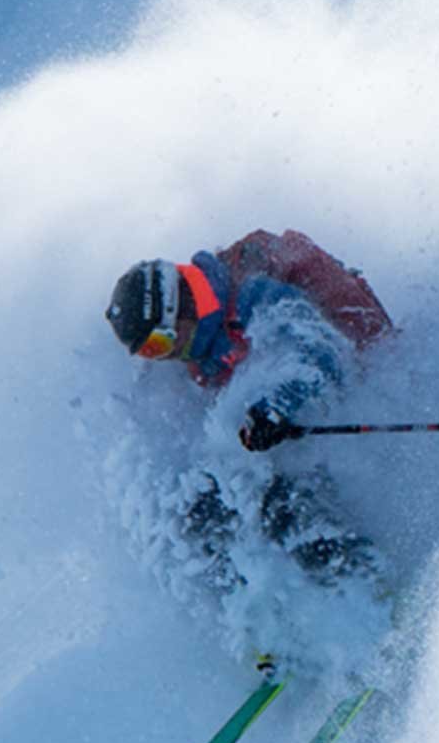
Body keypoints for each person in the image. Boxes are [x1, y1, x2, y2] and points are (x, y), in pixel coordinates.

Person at [104, 229, 394, 613]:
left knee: (277, 501)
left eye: (158, 344)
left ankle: (372, 589)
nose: (163, 358)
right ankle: (263, 631)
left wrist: (276, 408)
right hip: (275, 446)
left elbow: (318, 350)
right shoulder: (196, 351)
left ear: (179, 311)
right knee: (198, 510)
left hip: (341, 414)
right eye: (148, 353)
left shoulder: (254, 298)